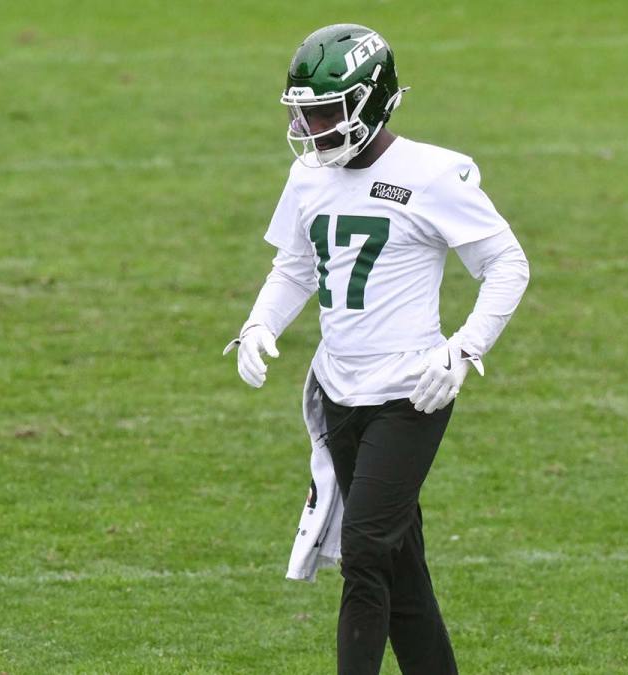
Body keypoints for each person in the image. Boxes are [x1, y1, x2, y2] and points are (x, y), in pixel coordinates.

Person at [226, 23, 530, 675]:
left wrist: (463, 350)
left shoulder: (432, 174)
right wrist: (259, 324)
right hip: (338, 390)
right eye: (303, 111)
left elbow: (507, 263)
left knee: (364, 552)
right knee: (402, 571)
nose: (312, 126)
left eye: (326, 110)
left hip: (410, 393)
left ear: (375, 99)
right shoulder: (308, 174)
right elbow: (297, 264)